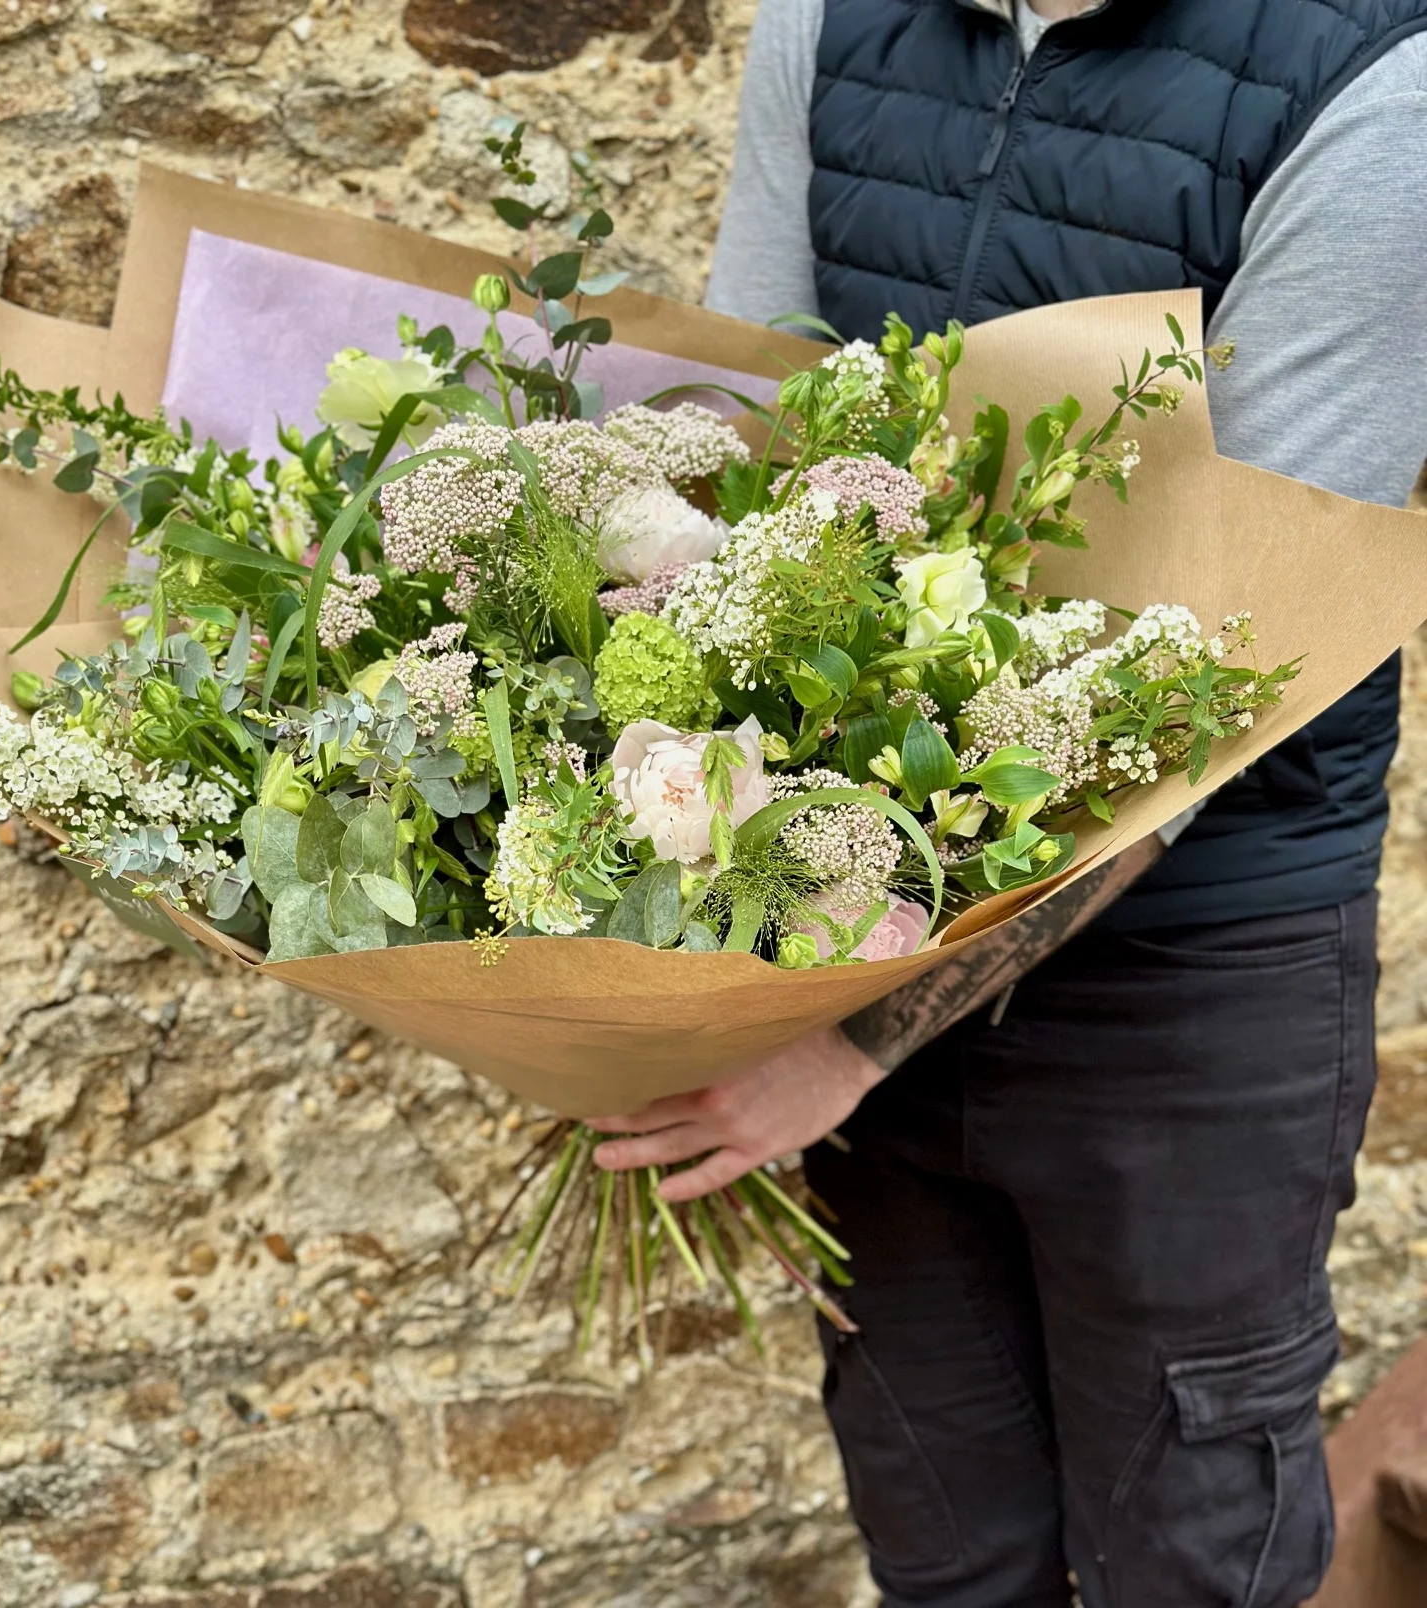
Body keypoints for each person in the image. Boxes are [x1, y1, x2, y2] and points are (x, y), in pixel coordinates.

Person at [589, 2, 1427, 1605]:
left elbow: (1229, 663)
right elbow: (754, 415)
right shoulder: (830, 22)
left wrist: (845, 1045)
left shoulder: (1378, 86)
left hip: (1187, 983)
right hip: (861, 913)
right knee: (948, 1553)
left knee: (1188, 1560)